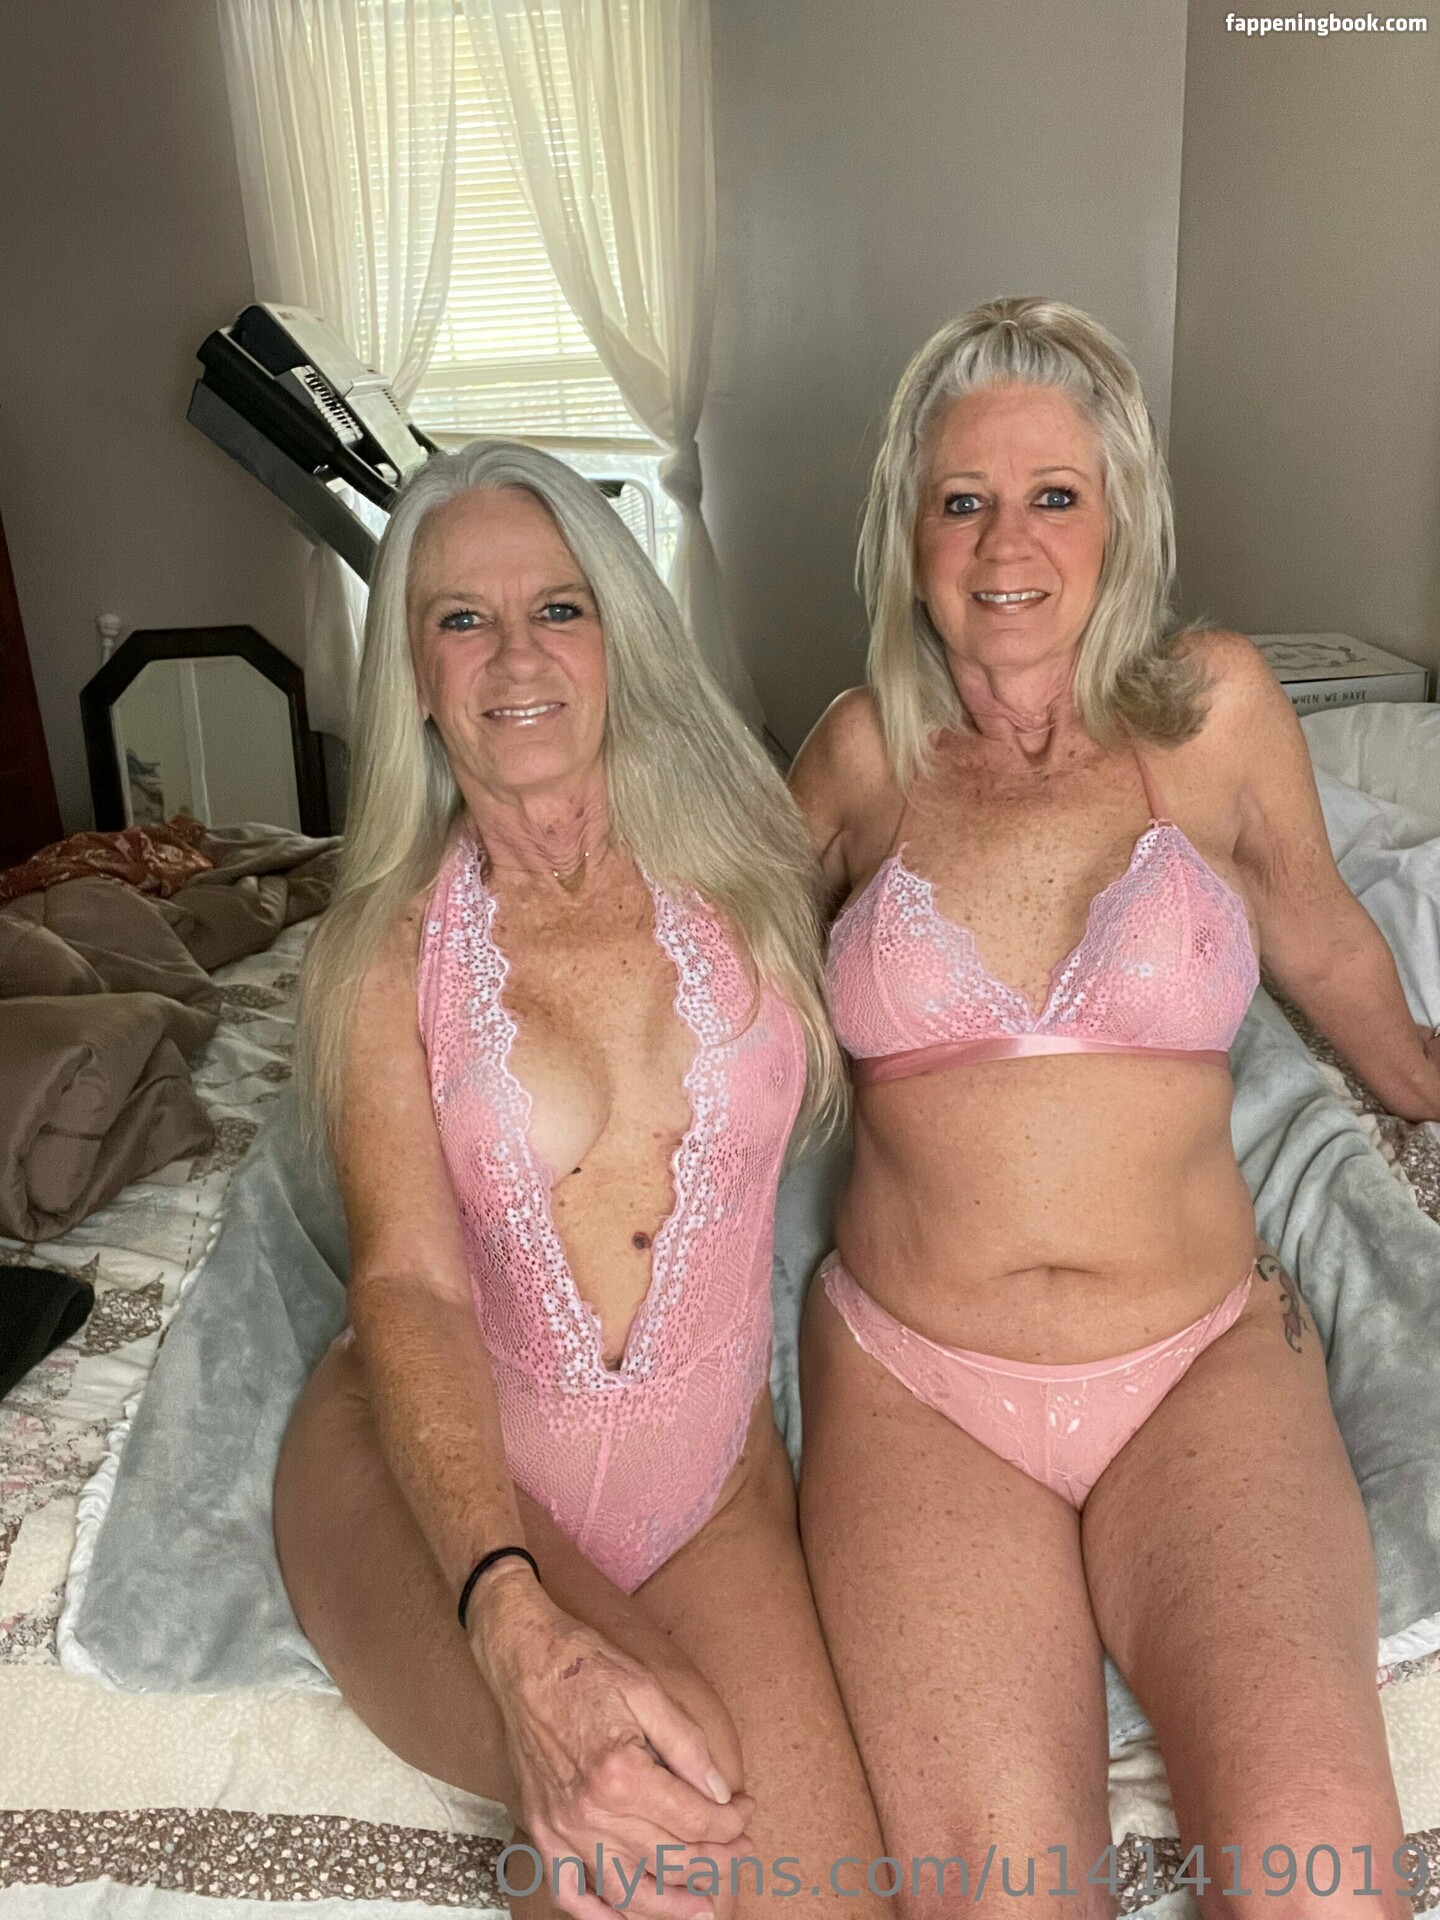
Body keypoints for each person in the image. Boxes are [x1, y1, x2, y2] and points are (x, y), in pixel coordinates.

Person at [789, 297, 1440, 1918]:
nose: (1006, 543)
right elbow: (719, 1012)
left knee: (1324, 1888)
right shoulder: (859, 754)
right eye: (963, 500)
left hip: (1198, 1362)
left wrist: (1430, 1084)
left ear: (1121, 518)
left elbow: (1329, 947)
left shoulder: (1212, 710)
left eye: (1055, 495)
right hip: (921, 1389)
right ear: (909, 536)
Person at [276, 440, 887, 1920]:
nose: (516, 655)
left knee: (835, 1898)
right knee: (648, 1816)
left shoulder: (759, 864)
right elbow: (407, 1281)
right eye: (460, 619)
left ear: (621, 637)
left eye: (558, 607)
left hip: (709, 1493)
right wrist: (508, 1612)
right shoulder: (382, 952)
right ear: (413, 676)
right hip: (431, 1485)